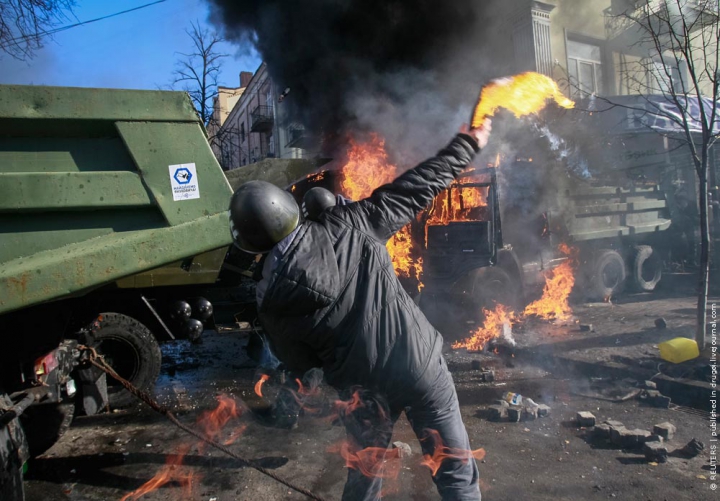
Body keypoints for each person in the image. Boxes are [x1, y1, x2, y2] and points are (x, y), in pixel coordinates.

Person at [228, 120, 492, 501]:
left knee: (365, 476)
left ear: (250, 244)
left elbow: (304, 368)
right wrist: (468, 143)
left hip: (363, 394)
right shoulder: (351, 223)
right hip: (421, 369)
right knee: (456, 472)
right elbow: (419, 186)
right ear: (288, 207)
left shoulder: (271, 305)